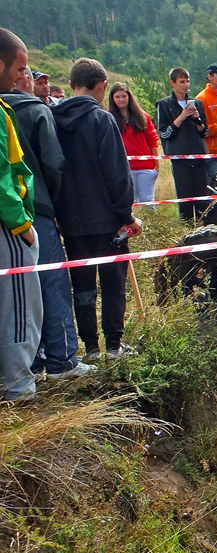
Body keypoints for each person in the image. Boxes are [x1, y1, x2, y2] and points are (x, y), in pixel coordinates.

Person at [5, 67, 94, 381]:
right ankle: (61, 359)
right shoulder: (36, 110)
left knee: (14, 290)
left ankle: (28, 362)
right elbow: (53, 163)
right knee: (51, 282)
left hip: (6, 213)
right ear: (23, 78)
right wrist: (52, 202)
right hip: (35, 207)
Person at [51, 57, 142, 362]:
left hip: (70, 221)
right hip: (107, 221)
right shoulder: (102, 120)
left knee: (82, 286)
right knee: (113, 283)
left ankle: (90, 348)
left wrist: (58, 214)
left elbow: (51, 170)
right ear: (102, 85)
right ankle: (114, 347)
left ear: (71, 84)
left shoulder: (52, 119)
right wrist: (127, 215)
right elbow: (117, 174)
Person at [0, 28, 42, 400]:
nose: (21, 76)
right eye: (18, 68)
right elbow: (3, 177)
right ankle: (17, 386)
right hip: (8, 226)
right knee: (17, 305)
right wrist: (22, 225)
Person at [156, 66, 209, 222]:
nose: (186, 85)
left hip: (199, 156)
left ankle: (202, 227)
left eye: (187, 81)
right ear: (172, 83)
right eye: (182, 81)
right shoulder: (164, 104)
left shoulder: (197, 103)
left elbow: (204, 133)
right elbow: (165, 133)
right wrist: (181, 117)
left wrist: (197, 119)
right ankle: (187, 229)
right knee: (185, 200)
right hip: (180, 159)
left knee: (202, 199)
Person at [108, 83, 159, 204]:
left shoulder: (142, 115)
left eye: (124, 96)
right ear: (112, 99)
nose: (121, 99)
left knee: (147, 203)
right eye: (117, 97)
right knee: (129, 203)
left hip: (146, 167)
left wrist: (156, 166)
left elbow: (152, 140)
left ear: (129, 97)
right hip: (123, 168)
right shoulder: (108, 117)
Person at [196, 63, 217, 187]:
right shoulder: (201, 98)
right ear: (209, 76)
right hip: (212, 153)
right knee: (213, 186)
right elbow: (200, 129)